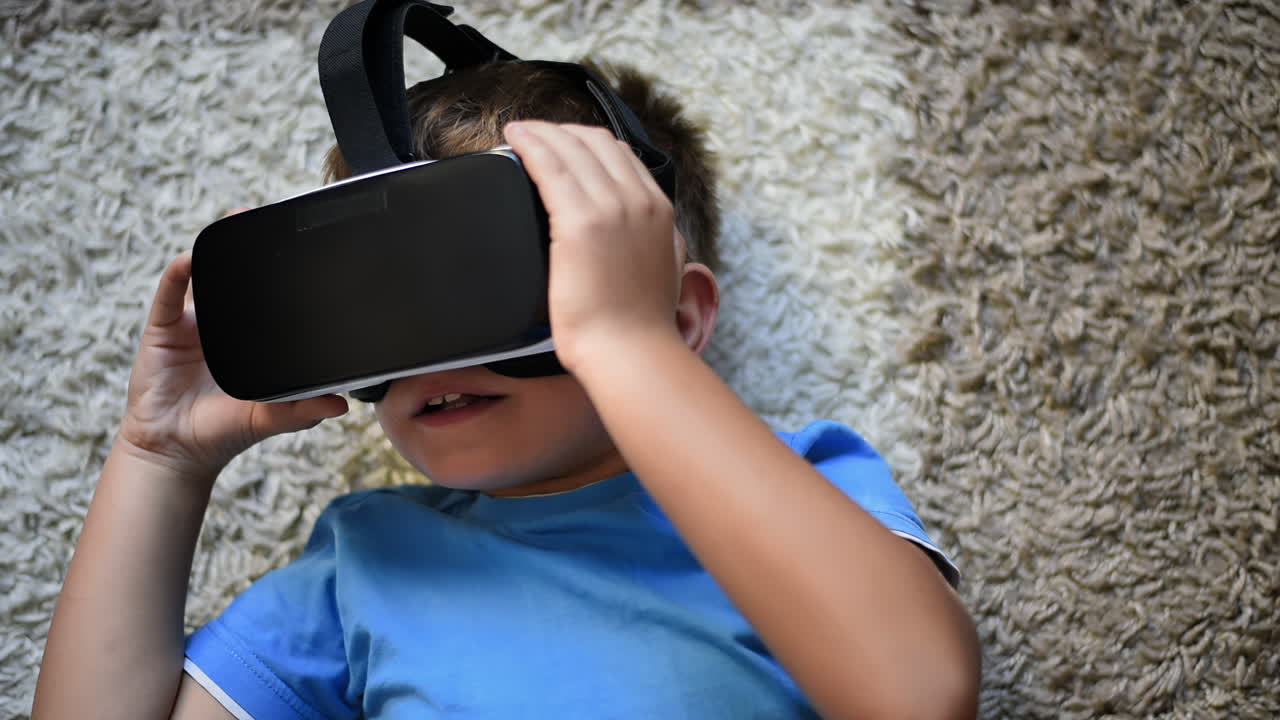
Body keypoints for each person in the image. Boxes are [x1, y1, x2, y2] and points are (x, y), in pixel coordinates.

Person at [33, 58, 980, 719]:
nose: (433, 350)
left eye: (486, 277)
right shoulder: (370, 562)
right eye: (382, 299)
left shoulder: (802, 486)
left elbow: (913, 694)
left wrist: (619, 340)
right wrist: (158, 458)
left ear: (680, 319)